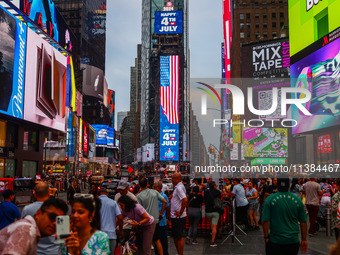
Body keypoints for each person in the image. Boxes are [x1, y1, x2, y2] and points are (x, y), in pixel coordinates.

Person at [0, 198, 68, 255]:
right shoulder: (26, 230)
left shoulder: (30, 229)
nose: (55, 223)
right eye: (52, 217)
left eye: (59, 220)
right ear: (38, 213)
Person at [262, 178, 308, 255]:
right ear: (289, 185)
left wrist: (266, 237)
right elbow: (303, 222)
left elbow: (265, 221)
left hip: (275, 241)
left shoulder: (269, 199)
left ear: (277, 185)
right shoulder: (297, 200)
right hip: (292, 241)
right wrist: (304, 239)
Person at [22, 182, 59, 255]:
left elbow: (23, 230)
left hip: (34, 251)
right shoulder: (56, 209)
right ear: (49, 194)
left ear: (34, 194)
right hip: (53, 251)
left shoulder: (27, 209)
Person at [137, 177, 167, 255]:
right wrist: (161, 213)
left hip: (146, 222)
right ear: (147, 184)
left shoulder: (139, 196)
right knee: (157, 240)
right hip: (155, 221)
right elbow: (165, 201)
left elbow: (139, 210)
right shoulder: (155, 192)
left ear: (139, 185)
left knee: (145, 242)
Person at [98, 187, 124, 255]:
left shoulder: (94, 202)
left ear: (98, 194)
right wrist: (120, 230)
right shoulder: (113, 203)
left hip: (98, 235)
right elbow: (120, 218)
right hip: (111, 235)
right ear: (107, 193)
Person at [170, 173, 188, 255]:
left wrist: (180, 212)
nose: (172, 179)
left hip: (178, 217)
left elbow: (185, 200)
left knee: (179, 237)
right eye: (172, 178)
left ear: (179, 179)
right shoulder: (178, 187)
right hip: (176, 216)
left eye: (174, 178)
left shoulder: (179, 188)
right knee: (176, 237)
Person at [153, 181, 170, 255]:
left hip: (162, 222)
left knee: (163, 241)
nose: (153, 188)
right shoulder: (153, 196)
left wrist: (166, 217)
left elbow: (168, 208)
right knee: (156, 241)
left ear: (159, 188)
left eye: (154, 186)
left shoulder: (164, 196)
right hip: (155, 222)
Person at [204, 181, 221, 247]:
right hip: (215, 211)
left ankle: (212, 234)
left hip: (208, 211)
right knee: (214, 226)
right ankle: (212, 241)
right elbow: (219, 200)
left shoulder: (206, 192)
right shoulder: (218, 192)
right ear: (214, 185)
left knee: (211, 224)